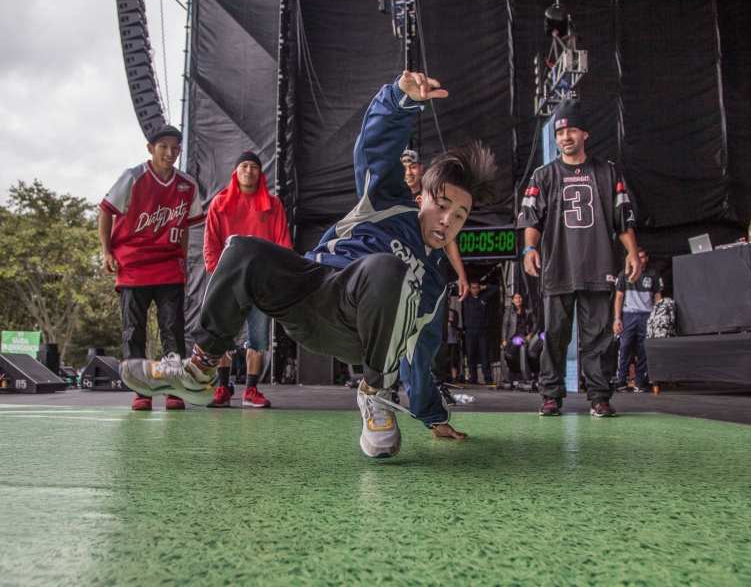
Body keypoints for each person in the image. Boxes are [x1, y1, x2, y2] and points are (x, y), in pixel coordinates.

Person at [121, 70, 497, 459]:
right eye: (443, 206)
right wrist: (399, 99)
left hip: (360, 332)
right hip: (311, 291)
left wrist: (433, 416)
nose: (447, 221)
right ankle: (200, 368)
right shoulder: (387, 201)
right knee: (243, 249)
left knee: (389, 271)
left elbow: (421, 353)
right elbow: (376, 145)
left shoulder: (434, 282)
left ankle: (376, 395)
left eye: (461, 216)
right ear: (423, 200)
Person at [519, 99, 641, 418]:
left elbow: (621, 217)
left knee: (598, 339)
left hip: (598, 266)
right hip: (558, 268)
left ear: (584, 133)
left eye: (572, 130)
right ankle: (550, 396)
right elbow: (531, 219)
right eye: (560, 132)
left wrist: (631, 251)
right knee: (555, 337)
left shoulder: (606, 171)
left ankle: (600, 397)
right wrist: (529, 249)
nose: (565, 136)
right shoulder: (543, 175)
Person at [99, 125, 205, 411]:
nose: (169, 153)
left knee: (172, 328)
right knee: (133, 331)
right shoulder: (133, 177)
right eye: (163, 147)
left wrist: (182, 263)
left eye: (175, 147)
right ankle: (141, 391)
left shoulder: (187, 185)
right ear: (151, 149)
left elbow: (183, 228)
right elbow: (105, 212)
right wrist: (107, 252)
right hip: (133, 265)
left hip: (169, 266)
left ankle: (174, 388)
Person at [203, 151, 292, 408]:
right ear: (236, 171)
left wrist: (279, 274)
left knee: (259, 337)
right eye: (244, 165)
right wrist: (215, 272)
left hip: (260, 282)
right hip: (228, 282)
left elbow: (282, 243)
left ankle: (251, 390)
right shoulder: (219, 203)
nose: (249, 170)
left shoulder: (272, 204)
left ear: (260, 173)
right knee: (223, 336)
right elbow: (211, 242)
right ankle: (222, 388)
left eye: (254, 166)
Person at [403, 149, 469, 301]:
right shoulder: (394, 199)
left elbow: (447, 238)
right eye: (404, 167)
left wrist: (461, 274)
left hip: (428, 274)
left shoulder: (436, 192)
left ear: (421, 168)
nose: (408, 172)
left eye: (412, 166)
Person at [612, 249, 663, 392]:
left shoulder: (653, 275)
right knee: (625, 346)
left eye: (642, 257)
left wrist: (656, 317)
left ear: (646, 258)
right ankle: (621, 379)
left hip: (647, 315)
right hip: (629, 314)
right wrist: (617, 318)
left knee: (644, 348)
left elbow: (657, 297)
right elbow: (619, 297)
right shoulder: (625, 274)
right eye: (637, 257)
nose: (640, 261)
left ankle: (640, 380)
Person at [462, 280, 500, 384]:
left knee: (484, 354)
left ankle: (487, 376)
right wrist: (466, 287)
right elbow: (457, 288)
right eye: (473, 288)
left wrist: (484, 286)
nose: (475, 290)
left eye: (477, 288)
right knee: (470, 355)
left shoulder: (484, 297)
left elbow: (496, 288)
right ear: (470, 289)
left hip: (483, 329)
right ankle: (473, 376)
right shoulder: (466, 298)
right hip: (470, 329)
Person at [501, 293, 541, 380]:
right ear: (512, 300)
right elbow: (505, 326)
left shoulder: (528, 311)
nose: (518, 300)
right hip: (513, 338)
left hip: (525, 337)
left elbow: (535, 323)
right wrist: (504, 340)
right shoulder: (509, 312)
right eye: (516, 298)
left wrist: (531, 334)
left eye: (520, 297)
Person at [446, 295, 461, 381]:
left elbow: (455, 323)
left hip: (452, 339)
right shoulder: (438, 311)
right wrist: (448, 320)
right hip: (442, 339)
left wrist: (448, 321)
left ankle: (454, 377)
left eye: (448, 300)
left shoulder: (453, 312)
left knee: (453, 359)